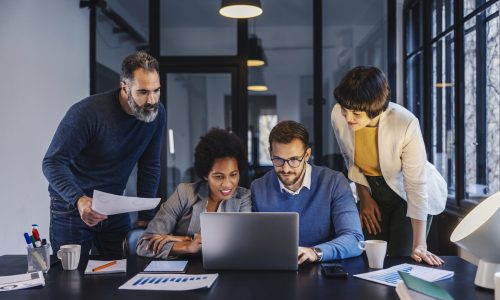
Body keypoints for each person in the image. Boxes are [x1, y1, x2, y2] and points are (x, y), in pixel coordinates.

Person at [42, 51, 165, 257]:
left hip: (113, 208)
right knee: (71, 281)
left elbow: (149, 166)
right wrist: (79, 200)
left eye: (156, 90)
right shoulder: (87, 113)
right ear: (124, 87)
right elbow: (52, 162)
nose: (152, 99)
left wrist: (146, 217)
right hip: (72, 209)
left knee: (121, 274)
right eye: (143, 92)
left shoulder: (156, 113)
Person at [331, 66, 447, 266]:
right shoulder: (338, 114)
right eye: (345, 110)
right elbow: (350, 159)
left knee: (402, 259)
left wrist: (420, 244)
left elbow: (415, 184)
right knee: (368, 257)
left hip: (407, 192)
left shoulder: (405, 123)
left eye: (356, 114)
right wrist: (364, 197)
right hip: (372, 188)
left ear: (376, 108)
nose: (348, 118)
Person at [251, 121, 363, 264]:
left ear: (307, 154)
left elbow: (355, 240)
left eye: (293, 160)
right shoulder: (258, 188)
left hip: (323, 270)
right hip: (275, 270)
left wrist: (314, 252)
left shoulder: (334, 182)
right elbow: (252, 243)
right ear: (270, 153)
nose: (286, 169)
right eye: (278, 159)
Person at [136, 128, 251, 259]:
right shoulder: (184, 193)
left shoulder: (243, 197)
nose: (228, 184)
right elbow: (143, 244)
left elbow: (239, 244)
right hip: (184, 273)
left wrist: (181, 239)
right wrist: (186, 247)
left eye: (233, 175)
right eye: (219, 177)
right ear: (205, 175)